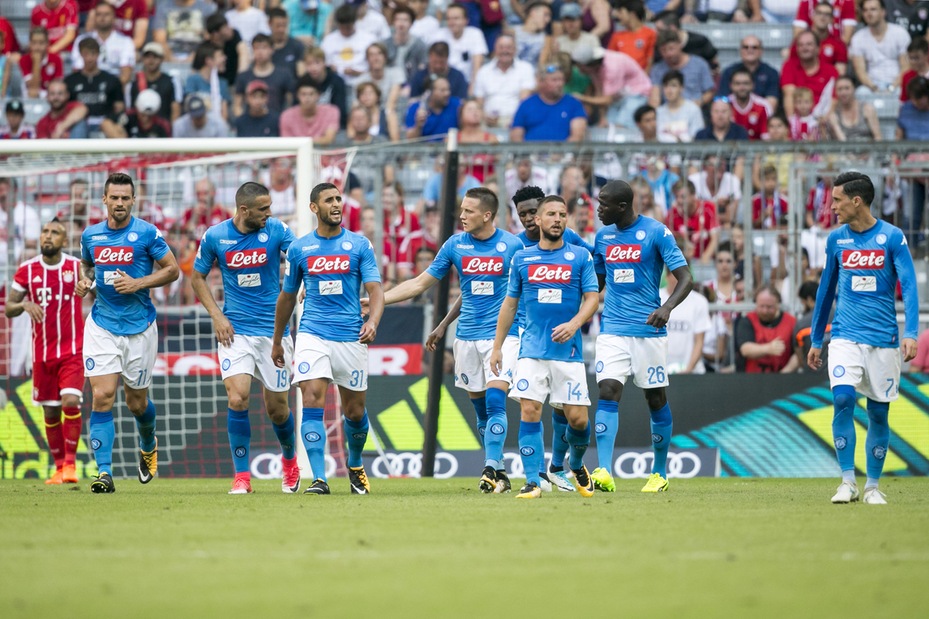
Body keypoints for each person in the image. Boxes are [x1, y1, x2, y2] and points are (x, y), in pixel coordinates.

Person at [379, 187, 523, 493]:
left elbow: (523, 292)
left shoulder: (512, 246)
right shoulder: (455, 245)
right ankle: (499, 471)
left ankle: (488, 467)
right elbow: (420, 283)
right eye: (462, 209)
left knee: (496, 400)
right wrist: (382, 301)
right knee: (481, 411)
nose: (462, 216)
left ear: (487, 215)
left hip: (502, 337)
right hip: (466, 336)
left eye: (469, 211)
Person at [808, 171, 919, 505]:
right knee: (842, 400)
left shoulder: (892, 237)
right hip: (845, 335)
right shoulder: (836, 240)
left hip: (884, 339)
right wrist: (816, 339)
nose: (832, 206)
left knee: (878, 414)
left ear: (857, 201)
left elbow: (909, 286)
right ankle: (847, 482)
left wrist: (911, 332)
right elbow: (825, 291)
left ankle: (872, 486)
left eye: (837, 200)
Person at [272, 183, 384, 495]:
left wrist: (373, 321)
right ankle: (319, 478)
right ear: (313, 207)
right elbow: (287, 296)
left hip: (351, 337)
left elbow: (375, 290)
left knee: (355, 412)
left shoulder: (359, 245)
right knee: (311, 399)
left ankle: (355, 463)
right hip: (312, 333)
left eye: (338, 199)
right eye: (328, 200)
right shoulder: (299, 249)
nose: (336, 204)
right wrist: (278, 339)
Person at [74, 173, 180, 494]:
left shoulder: (147, 233)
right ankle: (104, 473)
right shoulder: (91, 235)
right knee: (102, 396)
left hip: (139, 328)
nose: (119, 203)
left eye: (125, 198)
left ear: (134, 200)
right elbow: (87, 265)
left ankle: (148, 443)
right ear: (104, 200)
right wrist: (85, 281)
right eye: (114, 198)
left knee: (136, 403)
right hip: (102, 325)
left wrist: (137, 283)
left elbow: (172, 269)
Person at [190, 182, 298, 495]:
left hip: (273, 333)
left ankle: (290, 463)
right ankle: (242, 477)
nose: (269, 213)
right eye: (263, 209)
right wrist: (217, 316)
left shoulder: (277, 230)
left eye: (270, 207)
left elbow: (302, 257)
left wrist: (303, 284)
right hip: (235, 332)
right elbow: (197, 277)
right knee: (237, 398)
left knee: (277, 409)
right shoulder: (215, 236)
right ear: (244, 210)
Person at [489, 195, 599, 499]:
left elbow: (592, 298)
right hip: (531, 350)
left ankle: (575, 463)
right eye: (551, 214)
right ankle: (533, 481)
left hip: (569, 353)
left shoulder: (580, 256)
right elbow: (509, 304)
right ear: (538, 220)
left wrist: (574, 324)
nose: (557, 219)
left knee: (578, 420)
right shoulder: (522, 259)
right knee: (529, 410)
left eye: (562, 214)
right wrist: (497, 347)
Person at [590, 180, 692, 493]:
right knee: (608, 390)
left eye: (604, 204)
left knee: (655, 397)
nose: (598, 210)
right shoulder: (603, 237)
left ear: (622, 206)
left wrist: (667, 307)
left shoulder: (656, 232)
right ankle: (604, 470)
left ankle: (659, 473)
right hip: (612, 329)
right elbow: (596, 283)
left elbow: (686, 278)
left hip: (649, 330)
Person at [6, 220, 84, 484]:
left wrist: (88, 287)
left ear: (64, 240)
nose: (48, 236)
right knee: (50, 412)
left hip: (73, 351)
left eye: (55, 233)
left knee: (70, 401)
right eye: (45, 232)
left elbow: (95, 291)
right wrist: (24, 305)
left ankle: (70, 465)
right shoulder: (27, 270)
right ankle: (59, 468)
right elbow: (9, 307)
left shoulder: (75, 267)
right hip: (41, 354)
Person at [510, 65, 587, 142]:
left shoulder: (573, 104)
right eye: (554, 80)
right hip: (530, 149)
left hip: (564, 149)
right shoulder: (526, 105)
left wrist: (560, 150)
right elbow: (516, 136)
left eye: (561, 80)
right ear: (541, 82)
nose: (560, 84)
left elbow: (577, 136)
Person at [850, 0, 911, 96]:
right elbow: (860, 71)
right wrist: (875, 89)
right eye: (865, 10)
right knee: (860, 93)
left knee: (902, 92)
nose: (869, 14)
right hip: (872, 86)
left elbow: (906, 67)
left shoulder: (900, 33)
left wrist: (892, 88)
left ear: (883, 12)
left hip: (897, 84)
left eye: (873, 9)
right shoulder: (858, 38)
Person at [736, 285, 798, 373]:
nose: (765, 311)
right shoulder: (747, 321)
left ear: (778, 304)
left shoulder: (792, 322)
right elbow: (745, 349)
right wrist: (769, 348)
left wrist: (785, 372)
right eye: (761, 306)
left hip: (783, 374)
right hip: (752, 376)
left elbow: (798, 353)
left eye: (769, 307)